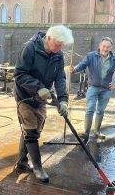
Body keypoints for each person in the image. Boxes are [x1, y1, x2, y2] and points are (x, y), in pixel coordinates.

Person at [13, 25, 74, 183]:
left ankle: (21, 162)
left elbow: (60, 78)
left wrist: (63, 100)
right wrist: (38, 87)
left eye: (62, 45)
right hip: (25, 96)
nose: (60, 47)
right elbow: (19, 74)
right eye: (58, 44)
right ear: (48, 38)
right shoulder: (30, 49)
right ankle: (38, 167)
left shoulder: (58, 55)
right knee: (31, 132)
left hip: (41, 98)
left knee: (34, 130)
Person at [70, 37, 115, 142]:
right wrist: (75, 69)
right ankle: (86, 133)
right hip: (93, 87)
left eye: (108, 47)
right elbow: (82, 65)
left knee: (100, 111)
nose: (105, 48)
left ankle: (96, 131)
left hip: (106, 90)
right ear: (100, 46)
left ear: (111, 48)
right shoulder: (91, 56)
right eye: (103, 46)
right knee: (90, 109)